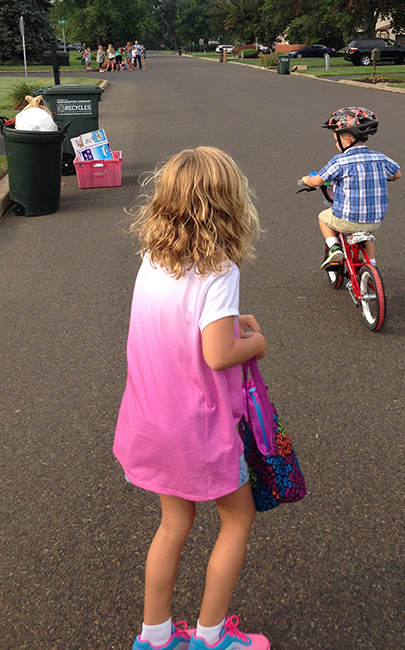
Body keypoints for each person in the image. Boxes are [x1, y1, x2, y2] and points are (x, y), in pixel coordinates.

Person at [114, 147, 270, 650]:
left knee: (174, 522)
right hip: (199, 428)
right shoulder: (220, 270)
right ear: (229, 204)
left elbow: (181, 325)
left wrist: (232, 323)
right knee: (237, 518)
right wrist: (257, 342)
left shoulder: (153, 258)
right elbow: (219, 353)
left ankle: (155, 637)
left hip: (153, 416)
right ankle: (211, 636)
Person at [300, 106, 401, 268]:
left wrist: (306, 180)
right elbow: (397, 175)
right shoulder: (380, 158)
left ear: (347, 140)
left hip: (347, 220)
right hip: (375, 220)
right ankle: (372, 266)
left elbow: (317, 181)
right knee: (366, 234)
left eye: (336, 140)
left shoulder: (340, 161)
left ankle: (334, 247)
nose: (336, 144)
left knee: (323, 218)